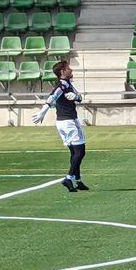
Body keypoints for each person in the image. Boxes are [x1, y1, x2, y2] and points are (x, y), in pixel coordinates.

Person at [31, 59, 88, 192]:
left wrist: (76, 96)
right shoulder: (61, 86)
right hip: (69, 122)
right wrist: (42, 112)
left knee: (74, 152)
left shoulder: (67, 84)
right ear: (62, 71)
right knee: (80, 151)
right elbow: (51, 98)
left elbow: (79, 97)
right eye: (68, 68)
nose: (71, 70)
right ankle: (68, 178)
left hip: (64, 122)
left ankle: (78, 180)